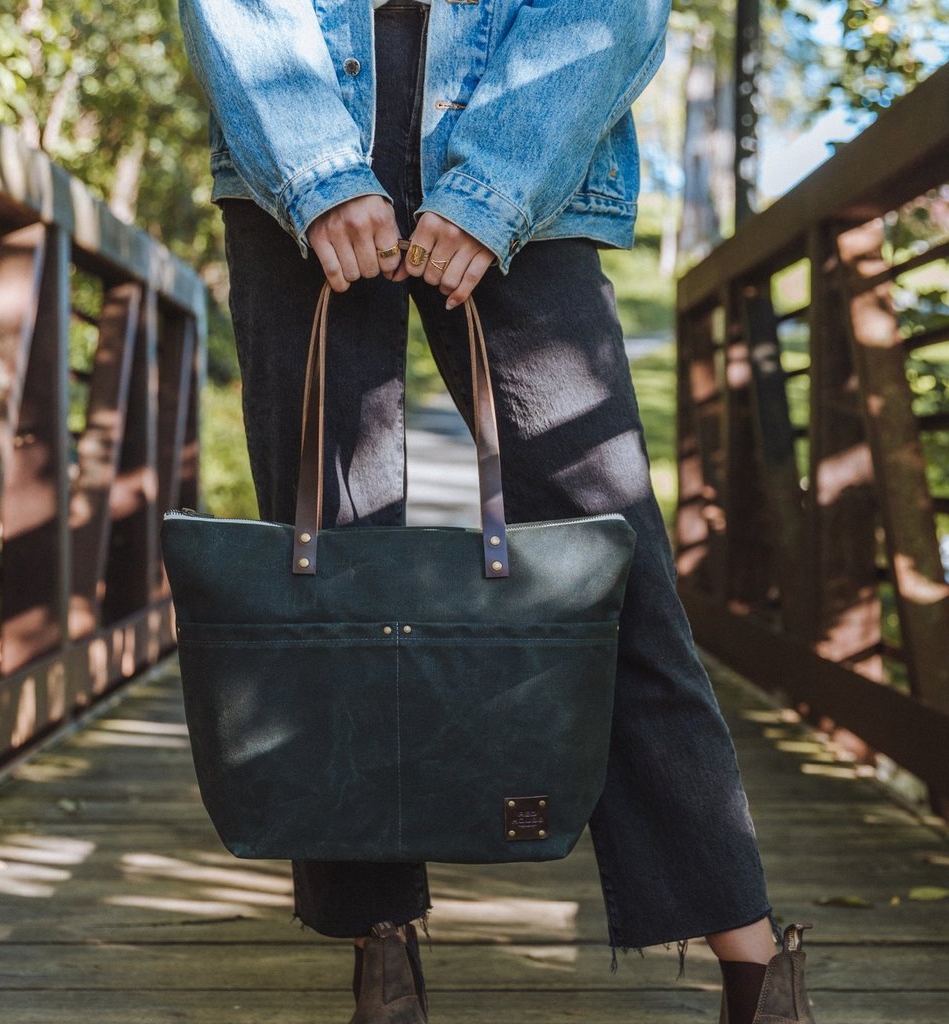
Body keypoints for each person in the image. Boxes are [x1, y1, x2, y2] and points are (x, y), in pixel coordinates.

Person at [177, 1, 818, 1022]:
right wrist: (313, 171)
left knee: (607, 556)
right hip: (299, 110)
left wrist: (492, 185)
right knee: (333, 564)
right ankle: (378, 941)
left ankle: (746, 944)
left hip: (526, 117)